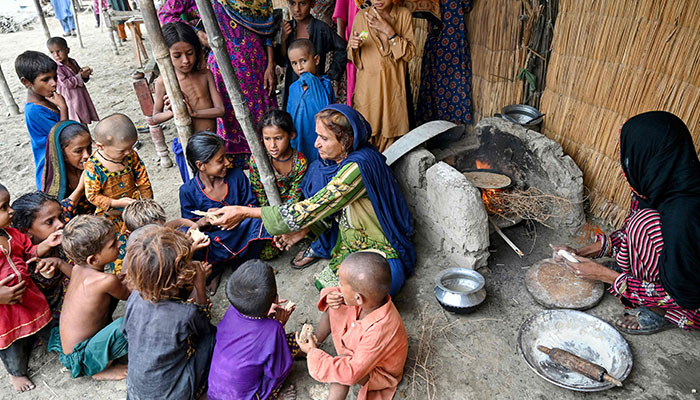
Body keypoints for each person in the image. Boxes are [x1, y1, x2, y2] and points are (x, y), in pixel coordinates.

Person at [209, 105, 416, 296]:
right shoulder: (333, 162)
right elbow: (329, 206)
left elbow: (313, 208)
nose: (316, 143)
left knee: (378, 286)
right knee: (330, 288)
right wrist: (303, 230)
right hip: (352, 237)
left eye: (324, 139)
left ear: (346, 141)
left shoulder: (358, 168)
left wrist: (244, 211)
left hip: (379, 243)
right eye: (317, 136)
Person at [552, 111, 700, 334]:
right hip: (677, 269)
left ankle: (656, 310)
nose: (624, 166)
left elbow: (687, 295)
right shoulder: (663, 181)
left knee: (644, 225)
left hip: (689, 301)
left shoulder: (686, 215)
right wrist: (585, 251)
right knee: (640, 220)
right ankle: (635, 278)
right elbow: (629, 231)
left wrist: (607, 276)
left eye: (630, 156)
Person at [159, 0, 279, 168]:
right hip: (224, 69)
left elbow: (268, 30)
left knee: (261, 118)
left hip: (257, 66)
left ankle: (264, 164)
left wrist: (271, 64)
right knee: (231, 118)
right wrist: (196, 34)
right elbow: (166, 15)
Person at [296, 251, 408, 400]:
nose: (338, 287)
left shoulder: (381, 328)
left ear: (358, 298)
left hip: (376, 372)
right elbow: (338, 295)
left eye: (341, 284)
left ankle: (310, 351)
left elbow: (351, 372)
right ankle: (315, 341)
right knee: (334, 308)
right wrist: (331, 297)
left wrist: (314, 355)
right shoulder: (371, 301)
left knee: (341, 367)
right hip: (362, 347)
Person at [122, 225, 216, 400]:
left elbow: (127, 333)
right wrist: (199, 286)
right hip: (172, 395)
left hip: (135, 394)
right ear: (180, 276)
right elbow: (205, 324)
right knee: (213, 336)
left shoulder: (135, 297)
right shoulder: (186, 313)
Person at [179, 132, 272, 293]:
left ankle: (241, 264)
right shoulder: (188, 191)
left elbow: (251, 204)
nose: (227, 162)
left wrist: (241, 214)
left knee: (260, 220)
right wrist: (205, 220)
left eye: (226, 157)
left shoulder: (236, 176)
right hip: (215, 239)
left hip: (241, 230)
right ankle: (216, 269)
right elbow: (189, 227)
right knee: (187, 244)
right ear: (201, 165)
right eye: (220, 160)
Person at [48, 215, 130, 380]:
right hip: (82, 356)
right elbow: (129, 294)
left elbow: (90, 287)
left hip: (72, 349)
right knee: (127, 324)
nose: (119, 244)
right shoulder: (106, 281)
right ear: (93, 259)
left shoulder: (78, 268)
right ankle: (99, 371)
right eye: (113, 244)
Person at [0, 184, 62, 392]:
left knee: (45, 321)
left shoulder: (11, 235)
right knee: (12, 344)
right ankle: (16, 372)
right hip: (4, 307)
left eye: (8, 205)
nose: (11, 211)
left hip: (27, 293)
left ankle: (57, 345)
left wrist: (48, 243)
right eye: (2, 207)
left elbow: (29, 251)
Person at [208, 259, 299, 400]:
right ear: (275, 299)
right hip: (247, 397)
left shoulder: (233, 311)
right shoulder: (273, 329)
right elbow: (278, 370)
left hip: (215, 391)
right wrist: (280, 325)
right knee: (293, 344)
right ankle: (271, 396)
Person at [84, 113, 154, 274]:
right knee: (120, 251)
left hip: (134, 209)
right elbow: (92, 195)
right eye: (122, 150)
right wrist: (117, 203)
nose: (129, 153)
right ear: (100, 146)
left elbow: (143, 180)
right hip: (111, 216)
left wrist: (147, 203)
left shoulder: (131, 155)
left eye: (132, 147)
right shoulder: (93, 166)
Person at [348, 2, 415, 152]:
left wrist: (389, 31)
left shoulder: (403, 15)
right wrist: (353, 46)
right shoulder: (361, 17)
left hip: (392, 87)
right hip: (368, 89)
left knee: (392, 130)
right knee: (366, 129)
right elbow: (351, 53)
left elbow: (410, 53)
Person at [152, 22, 225, 133]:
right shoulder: (164, 81)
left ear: (196, 50)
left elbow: (220, 110)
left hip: (211, 140)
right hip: (187, 143)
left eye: (190, 53)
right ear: (166, 54)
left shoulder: (205, 75)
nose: (185, 60)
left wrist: (194, 113)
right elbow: (156, 117)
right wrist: (177, 110)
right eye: (177, 56)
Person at [11, 192, 73, 321]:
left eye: (60, 217)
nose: (60, 224)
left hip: (75, 303)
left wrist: (60, 263)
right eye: (49, 222)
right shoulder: (20, 263)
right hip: (47, 320)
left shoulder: (65, 242)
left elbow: (83, 277)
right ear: (26, 231)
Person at [15, 51, 68, 189]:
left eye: (55, 77)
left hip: (62, 162)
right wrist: (63, 108)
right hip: (52, 170)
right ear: (26, 82)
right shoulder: (35, 111)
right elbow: (63, 138)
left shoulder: (47, 101)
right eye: (45, 80)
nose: (54, 83)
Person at [280, 0, 346, 109]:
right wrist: (283, 40)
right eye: (292, 3)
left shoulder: (321, 28)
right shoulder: (287, 29)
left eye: (302, 3)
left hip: (316, 90)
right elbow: (282, 60)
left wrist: (331, 74)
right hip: (293, 87)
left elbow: (342, 48)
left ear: (312, 3)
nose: (297, 9)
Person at [417, 0, 473, 125]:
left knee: (441, 75)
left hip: (445, 33)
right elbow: (467, 6)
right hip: (451, 33)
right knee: (452, 74)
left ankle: (436, 120)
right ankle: (452, 118)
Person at [286, 39, 335, 162]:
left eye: (303, 61)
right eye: (294, 63)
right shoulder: (293, 88)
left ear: (316, 60)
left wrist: (311, 79)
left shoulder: (325, 84)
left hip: (316, 136)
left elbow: (324, 108)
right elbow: (289, 114)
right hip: (298, 137)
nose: (300, 67)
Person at [249, 110, 308, 207]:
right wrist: (268, 215)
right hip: (265, 210)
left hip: (289, 211)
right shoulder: (258, 160)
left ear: (291, 135)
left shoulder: (300, 163)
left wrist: (282, 216)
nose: (272, 145)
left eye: (278, 138)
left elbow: (295, 195)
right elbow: (258, 191)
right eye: (267, 139)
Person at [42, 120, 96, 219]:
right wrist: (80, 188)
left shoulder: (96, 167)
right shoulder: (58, 184)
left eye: (89, 148)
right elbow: (59, 217)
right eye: (78, 151)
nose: (87, 155)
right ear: (62, 153)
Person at [46, 37, 99, 126]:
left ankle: (88, 137)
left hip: (81, 96)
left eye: (59, 51)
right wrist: (80, 76)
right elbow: (66, 83)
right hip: (70, 98)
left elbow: (80, 76)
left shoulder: (72, 61)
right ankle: (86, 138)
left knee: (84, 118)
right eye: (52, 52)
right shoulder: (57, 68)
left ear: (67, 50)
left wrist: (85, 74)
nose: (56, 55)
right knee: (77, 121)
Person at [332, 0, 359, 105]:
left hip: (379, 42)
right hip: (353, 42)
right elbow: (341, 11)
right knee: (355, 87)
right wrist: (342, 47)